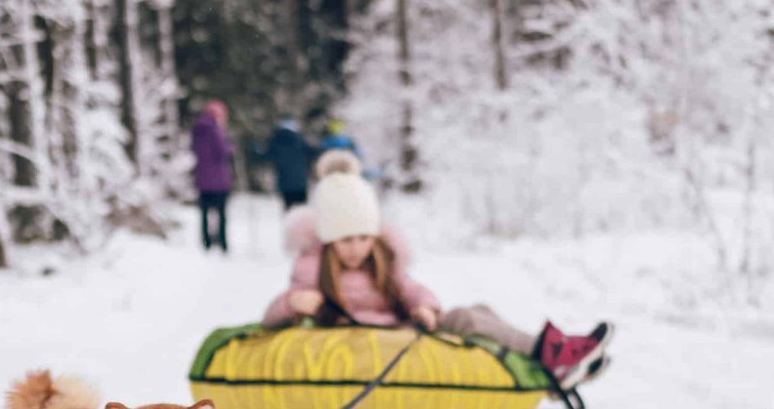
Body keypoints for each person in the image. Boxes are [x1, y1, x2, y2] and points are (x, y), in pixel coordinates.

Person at [261, 152, 612, 389]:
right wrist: (294, 303)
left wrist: (424, 307)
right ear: (328, 238)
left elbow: (409, 287)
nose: (356, 248)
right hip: (365, 340)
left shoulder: (381, 260)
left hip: (403, 329)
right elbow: (272, 316)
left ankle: (550, 358)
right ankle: (551, 359)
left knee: (476, 312)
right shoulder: (313, 268)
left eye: (363, 237)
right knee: (468, 322)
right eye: (346, 239)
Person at [190, 100, 234, 252]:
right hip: (219, 179)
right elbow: (221, 151)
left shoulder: (197, 130)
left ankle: (206, 241)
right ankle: (222, 242)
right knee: (221, 213)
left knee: (205, 212)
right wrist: (231, 147)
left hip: (202, 178)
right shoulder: (215, 130)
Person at [260, 118, 315, 210]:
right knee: (301, 209)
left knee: (289, 209)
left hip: (284, 182)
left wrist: (256, 150)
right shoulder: (299, 140)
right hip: (300, 181)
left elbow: (266, 156)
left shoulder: (276, 141)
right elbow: (312, 153)